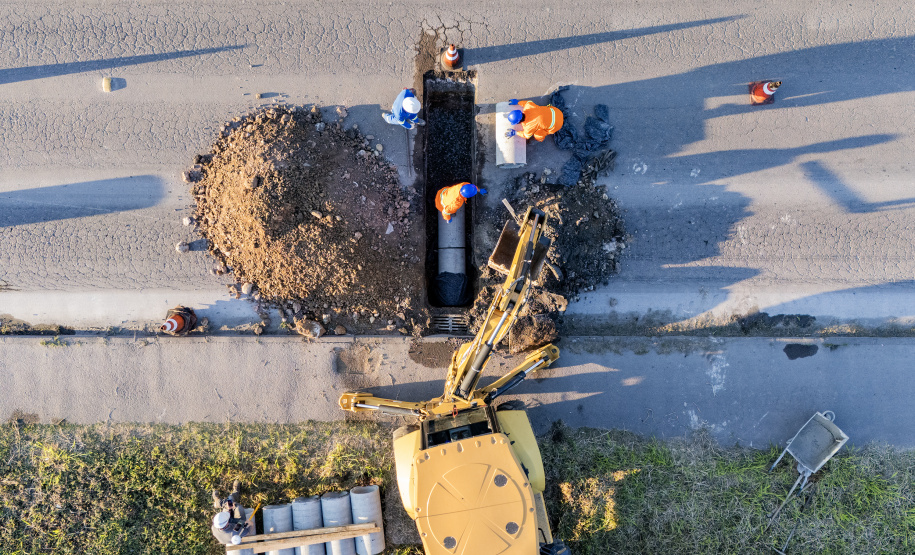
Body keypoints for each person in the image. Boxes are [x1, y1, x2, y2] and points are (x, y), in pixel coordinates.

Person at [210, 480, 252, 546]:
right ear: (227, 522)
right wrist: (249, 523)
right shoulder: (236, 531)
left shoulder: (215, 527)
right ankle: (222, 500)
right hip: (237, 523)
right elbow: (248, 528)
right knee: (236, 505)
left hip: (230, 525)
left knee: (230, 502)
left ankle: (219, 503)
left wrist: (228, 509)